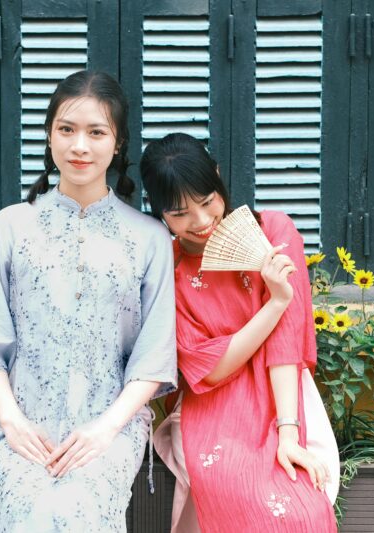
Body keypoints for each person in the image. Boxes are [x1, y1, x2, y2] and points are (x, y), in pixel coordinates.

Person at [0, 70, 177, 532]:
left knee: (77, 510)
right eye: (67, 129)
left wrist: (105, 429)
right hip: (17, 424)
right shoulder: (12, 226)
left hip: (108, 428)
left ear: (117, 144)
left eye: (97, 132)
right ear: (49, 136)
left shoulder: (149, 238)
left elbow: (153, 359)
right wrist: (12, 422)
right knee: (28, 515)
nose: (80, 146)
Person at [141, 132, 340, 532]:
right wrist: (276, 303)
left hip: (281, 393)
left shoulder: (274, 230)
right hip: (211, 407)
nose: (200, 222)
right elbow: (207, 369)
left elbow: (286, 345)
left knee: (300, 512)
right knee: (234, 486)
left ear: (217, 178)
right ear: (159, 213)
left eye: (207, 201)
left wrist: (288, 434)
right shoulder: (169, 267)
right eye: (180, 214)